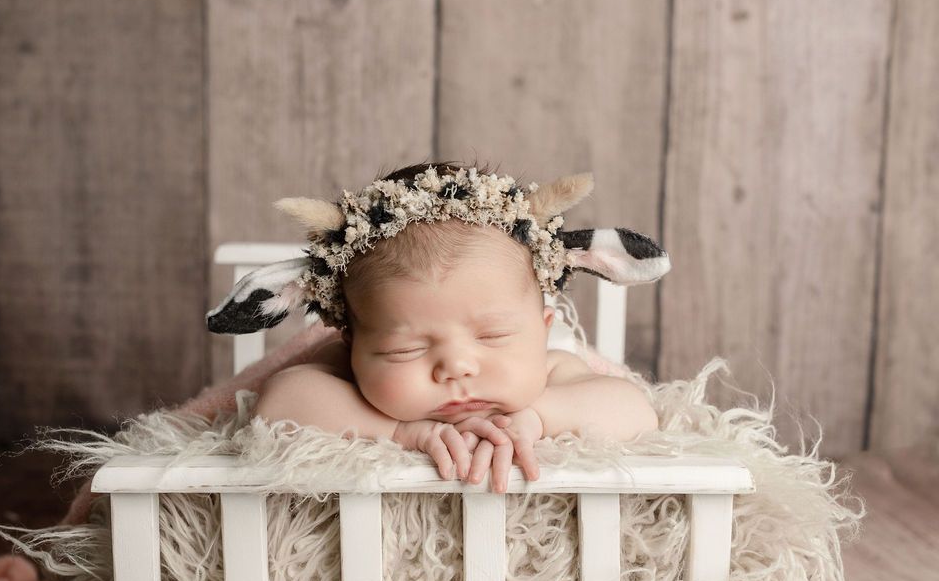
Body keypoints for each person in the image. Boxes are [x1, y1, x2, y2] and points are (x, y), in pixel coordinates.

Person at [208, 161, 671, 492]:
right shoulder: (346, 378)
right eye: (405, 350)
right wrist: (401, 433)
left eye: (493, 337)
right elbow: (278, 406)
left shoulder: (553, 374)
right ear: (351, 344)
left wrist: (539, 417)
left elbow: (637, 410)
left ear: (544, 329)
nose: (456, 367)